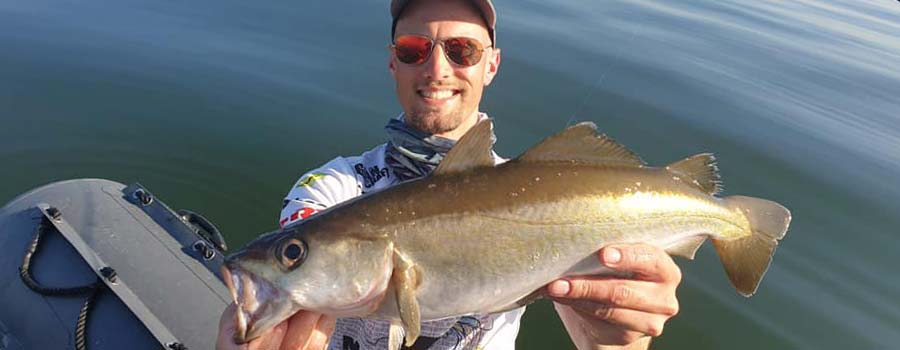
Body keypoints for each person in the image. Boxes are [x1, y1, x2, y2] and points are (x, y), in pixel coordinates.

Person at [217, 0, 681, 349]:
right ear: (393, 61)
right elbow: (297, 247)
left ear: (491, 64)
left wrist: (618, 336)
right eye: (415, 49)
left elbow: (590, 323)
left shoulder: (544, 193)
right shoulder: (334, 189)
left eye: (462, 50)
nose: (438, 69)